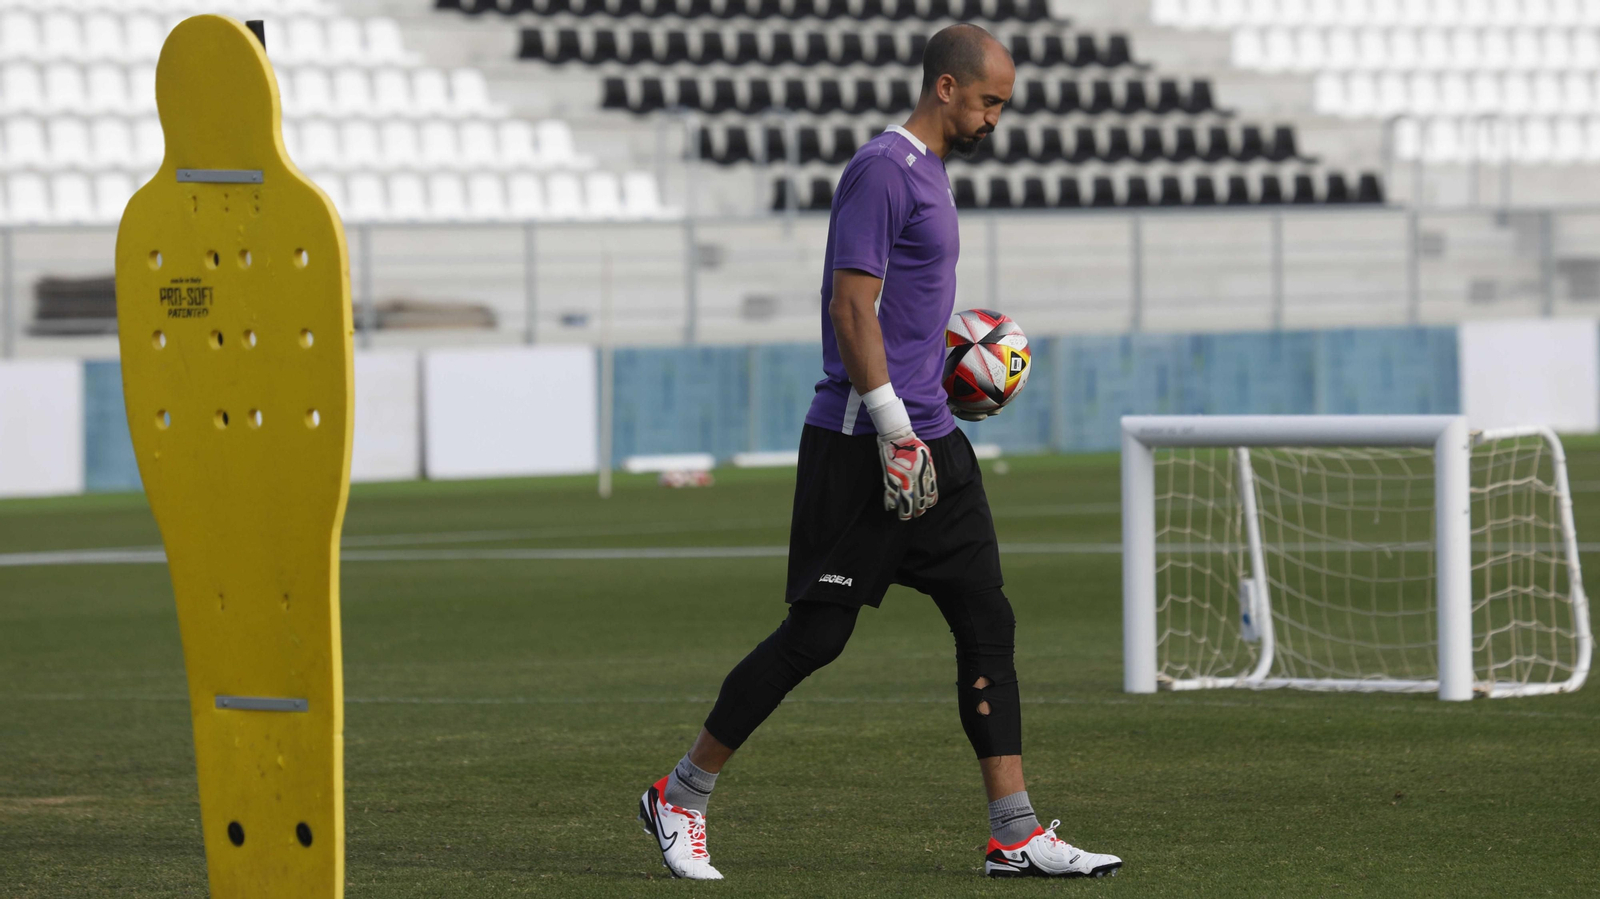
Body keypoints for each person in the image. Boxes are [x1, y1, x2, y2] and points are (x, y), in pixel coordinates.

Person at [637, 22, 1123, 881]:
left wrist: (953, 359)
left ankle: (1014, 832)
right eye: (987, 102)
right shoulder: (880, 170)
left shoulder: (930, 175)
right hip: (868, 444)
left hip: (935, 437)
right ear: (945, 87)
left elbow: (898, 315)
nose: (994, 121)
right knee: (814, 638)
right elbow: (851, 312)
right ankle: (680, 793)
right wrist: (895, 428)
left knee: (987, 619)